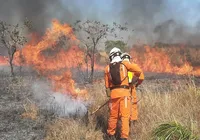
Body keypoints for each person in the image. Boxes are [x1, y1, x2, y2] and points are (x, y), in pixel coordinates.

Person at [104, 47, 142, 140]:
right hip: (125, 94)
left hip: (113, 95)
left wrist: (111, 96)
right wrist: (132, 81)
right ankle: (124, 137)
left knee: (113, 116)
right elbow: (138, 71)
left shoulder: (107, 68)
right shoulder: (124, 63)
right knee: (125, 116)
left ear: (111, 56)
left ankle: (110, 135)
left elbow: (107, 85)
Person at [121, 53, 144, 124]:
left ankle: (123, 120)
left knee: (123, 104)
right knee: (133, 103)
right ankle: (133, 120)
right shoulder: (133, 66)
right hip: (132, 88)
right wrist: (136, 84)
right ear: (129, 59)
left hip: (121, 89)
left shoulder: (119, 67)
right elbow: (141, 77)